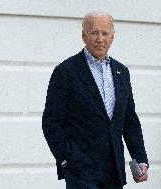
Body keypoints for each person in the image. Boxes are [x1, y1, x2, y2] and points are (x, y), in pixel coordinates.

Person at [42, 11, 148, 189]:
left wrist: (141, 159)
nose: (100, 39)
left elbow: (130, 122)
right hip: (81, 172)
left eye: (105, 33)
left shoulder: (122, 72)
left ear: (113, 37)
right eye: (94, 33)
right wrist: (67, 160)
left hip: (114, 171)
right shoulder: (66, 72)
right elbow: (51, 122)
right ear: (83, 36)